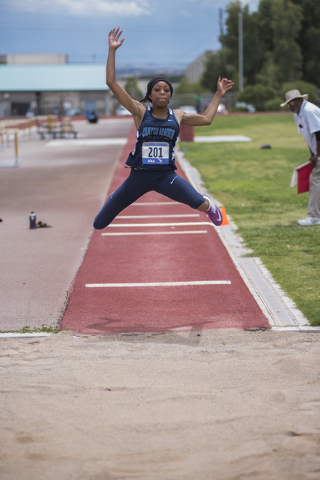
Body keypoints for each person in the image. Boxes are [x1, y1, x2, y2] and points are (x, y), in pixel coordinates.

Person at [93, 27, 234, 230]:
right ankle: (118, 194)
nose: (162, 92)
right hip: (139, 176)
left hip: (165, 176)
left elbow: (206, 119)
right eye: (157, 89)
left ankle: (209, 203)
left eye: (166, 90)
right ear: (150, 95)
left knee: (201, 205)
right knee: (99, 224)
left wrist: (219, 94)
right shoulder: (140, 112)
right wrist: (112, 50)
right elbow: (111, 82)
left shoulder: (177, 116)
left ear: (170, 96)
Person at [281, 89, 320, 226]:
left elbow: (319, 134)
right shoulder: (298, 114)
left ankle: (314, 217)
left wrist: (317, 155)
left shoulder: (309, 111)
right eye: (288, 104)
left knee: (315, 180)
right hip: (316, 152)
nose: (289, 106)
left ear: (299, 100)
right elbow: (307, 137)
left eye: (291, 103)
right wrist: (312, 154)